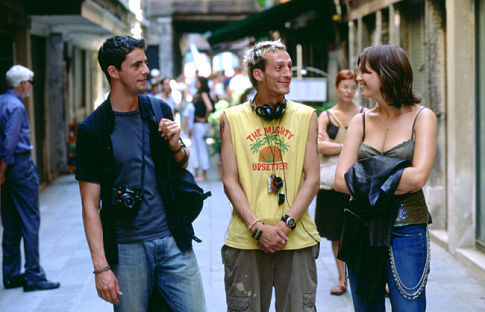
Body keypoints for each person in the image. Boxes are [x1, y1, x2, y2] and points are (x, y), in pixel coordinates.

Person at [76, 36, 205, 312]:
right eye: (137, 64)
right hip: (126, 249)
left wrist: (176, 146)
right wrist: (101, 268)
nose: (146, 70)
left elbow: (180, 164)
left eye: (145, 62)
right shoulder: (93, 130)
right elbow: (90, 204)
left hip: (173, 241)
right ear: (114, 72)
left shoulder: (158, 110)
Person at [220, 40, 320, 311]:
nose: (288, 73)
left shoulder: (307, 116)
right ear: (258, 74)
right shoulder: (231, 118)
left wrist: (285, 226)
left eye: (289, 67)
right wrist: (257, 228)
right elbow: (229, 179)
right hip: (246, 240)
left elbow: (312, 178)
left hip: (296, 239)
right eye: (279, 67)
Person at [334, 45, 436, 311]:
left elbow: (418, 178)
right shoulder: (360, 121)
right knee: (366, 307)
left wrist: (365, 175)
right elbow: (340, 181)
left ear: (387, 74)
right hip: (361, 227)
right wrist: (395, 174)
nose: (357, 78)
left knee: (408, 308)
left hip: (407, 228)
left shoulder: (422, 117)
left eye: (364, 72)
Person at [0, 65, 60, 291]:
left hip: (8, 166)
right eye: (29, 83)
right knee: (30, 221)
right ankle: (33, 274)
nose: (31, 87)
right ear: (21, 84)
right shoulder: (16, 106)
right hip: (18, 165)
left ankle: (11, 274)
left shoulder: (2, 101)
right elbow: (10, 143)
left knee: (11, 222)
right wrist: (3, 170)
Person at [315, 70, 364, 296]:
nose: (349, 91)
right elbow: (319, 147)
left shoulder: (364, 114)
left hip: (357, 180)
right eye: (345, 86)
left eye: (353, 87)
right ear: (336, 88)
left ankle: (363, 275)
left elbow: (369, 147)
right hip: (332, 182)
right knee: (335, 232)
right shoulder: (326, 116)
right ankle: (342, 278)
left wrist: (335, 147)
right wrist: (349, 147)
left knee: (361, 229)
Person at [191, 76, 213, 181]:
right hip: (196, 124)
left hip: (200, 124)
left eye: (197, 81)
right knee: (196, 147)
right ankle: (198, 173)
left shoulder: (203, 94)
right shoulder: (198, 94)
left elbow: (209, 107)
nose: (195, 83)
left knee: (201, 148)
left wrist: (204, 118)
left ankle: (203, 173)